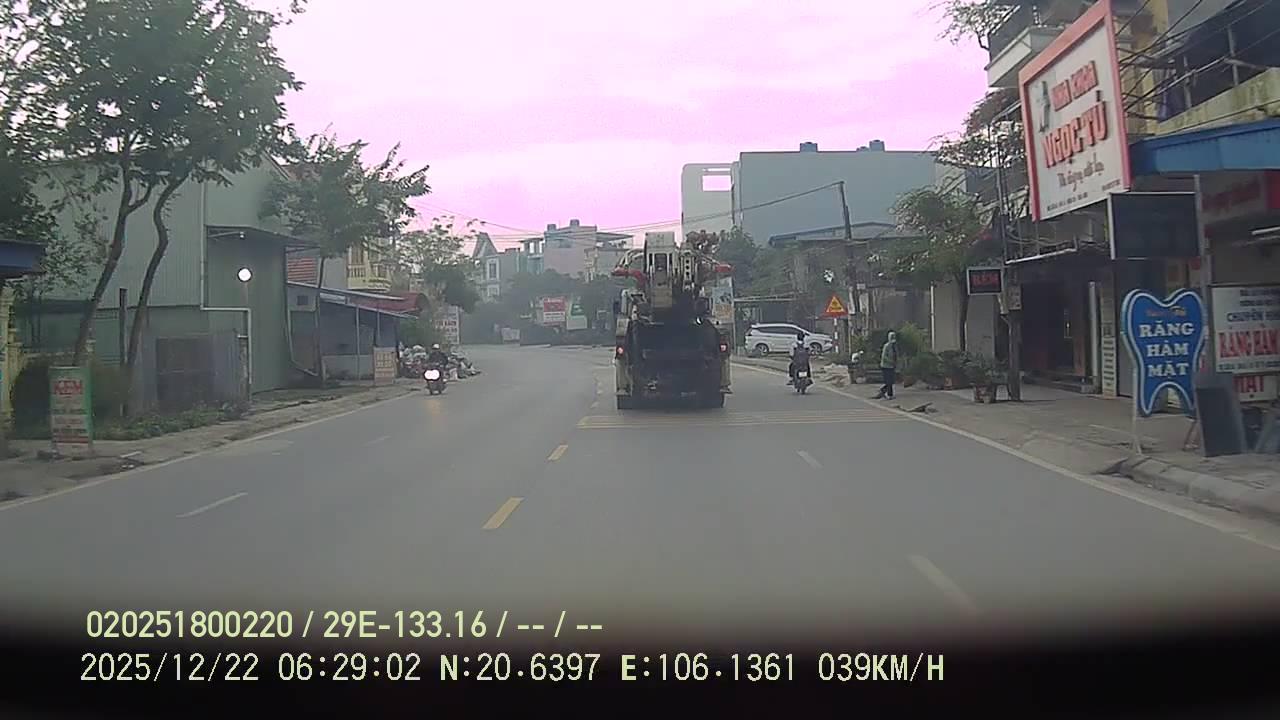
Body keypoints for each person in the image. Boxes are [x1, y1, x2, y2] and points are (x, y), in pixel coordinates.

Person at [873, 331, 898, 400]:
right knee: (888, 381)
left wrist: (895, 362)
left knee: (891, 381)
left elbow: (896, 355)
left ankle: (883, 391)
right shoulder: (886, 346)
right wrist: (891, 361)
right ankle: (888, 394)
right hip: (886, 366)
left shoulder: (894, 346)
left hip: (892, 366)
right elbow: (884, 357)